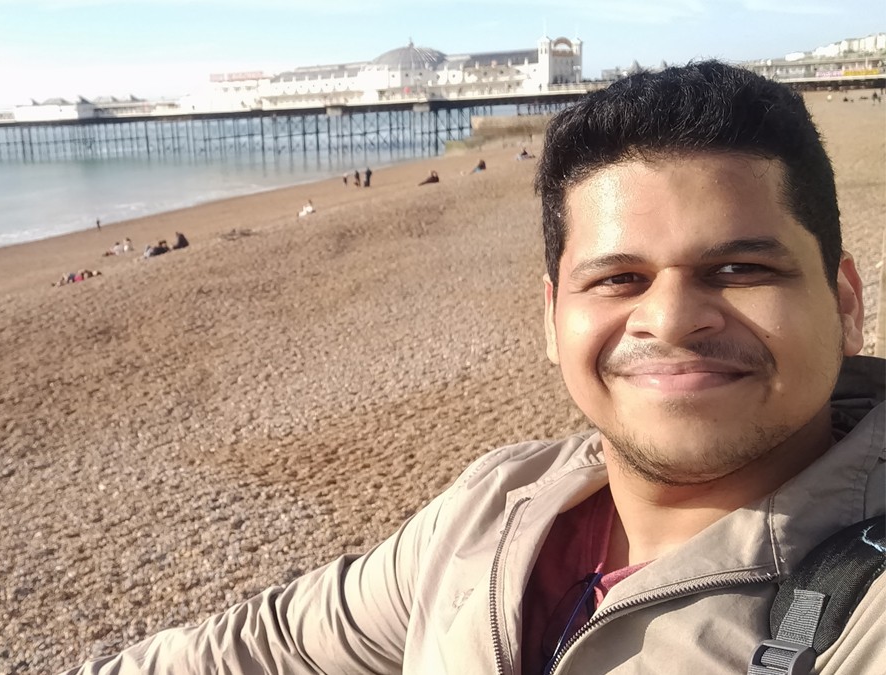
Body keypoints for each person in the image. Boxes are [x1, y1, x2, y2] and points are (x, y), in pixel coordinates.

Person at [59, 61, 884, 674]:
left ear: (845, 301)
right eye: (617, 278)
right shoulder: (497, 508)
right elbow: (271, 643)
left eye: (739, 269)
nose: (669, 317)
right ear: (552, 319)